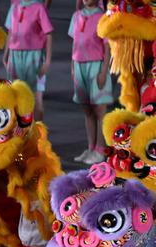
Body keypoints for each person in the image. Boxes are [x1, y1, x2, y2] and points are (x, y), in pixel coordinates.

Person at [70, 0, 110, 165]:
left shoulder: (102, 17)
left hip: (96, 65)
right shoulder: (77, 16)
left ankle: (100, 149)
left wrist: (103, 71)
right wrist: (72, 67)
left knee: (99, 109)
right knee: (87, 109)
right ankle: (91, 147)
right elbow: (75, 44)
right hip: (79, 65)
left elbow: (108, 48)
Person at [4, 0, 52, 121]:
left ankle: (38, 134)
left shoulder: (39, 7)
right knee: (15, 96)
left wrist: (47, 62)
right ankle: (19, 132)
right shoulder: (14, 7)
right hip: (15, 55)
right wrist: (6, 54)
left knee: (36, 98)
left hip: (34, 56)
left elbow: (49, 34)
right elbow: (10, 31)